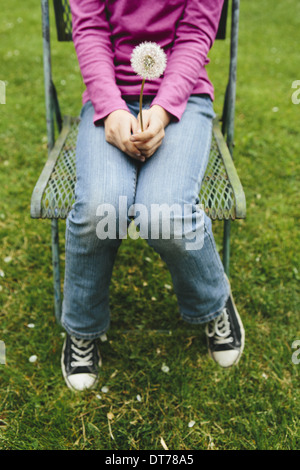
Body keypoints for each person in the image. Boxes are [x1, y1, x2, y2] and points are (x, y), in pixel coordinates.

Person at [61, 0, 245, 392]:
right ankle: (83, 326)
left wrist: (161, 111)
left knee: (163, 213)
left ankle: (214, 302)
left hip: (182, 97)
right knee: (100, 207)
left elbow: (196, 34)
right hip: (108, 96)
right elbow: (90, 29)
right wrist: (111, 110)